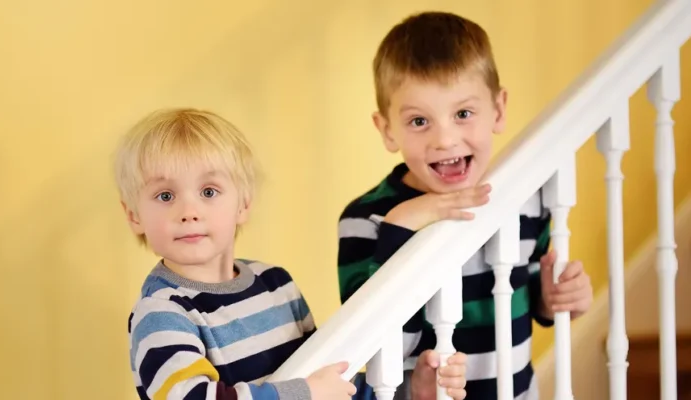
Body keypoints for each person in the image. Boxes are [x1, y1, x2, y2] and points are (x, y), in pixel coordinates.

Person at [114, 108, 467, 400]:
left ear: (243, 205)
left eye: (208, 191)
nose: (188, 211)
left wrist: (411, 389)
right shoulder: (162, 312)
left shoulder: (276, 284)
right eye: (165, 196)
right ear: (133, 216)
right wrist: (304, 393)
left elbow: (327, 381)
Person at [337, 12, 594, 400]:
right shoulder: (365, 219)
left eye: (463, 114)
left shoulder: (525, 195)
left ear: (499, 109)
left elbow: (530, 295)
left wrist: (555, 298)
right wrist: (401, 227)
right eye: (420, 121)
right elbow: (373, 348)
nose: (445, 139)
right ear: (388, 130)